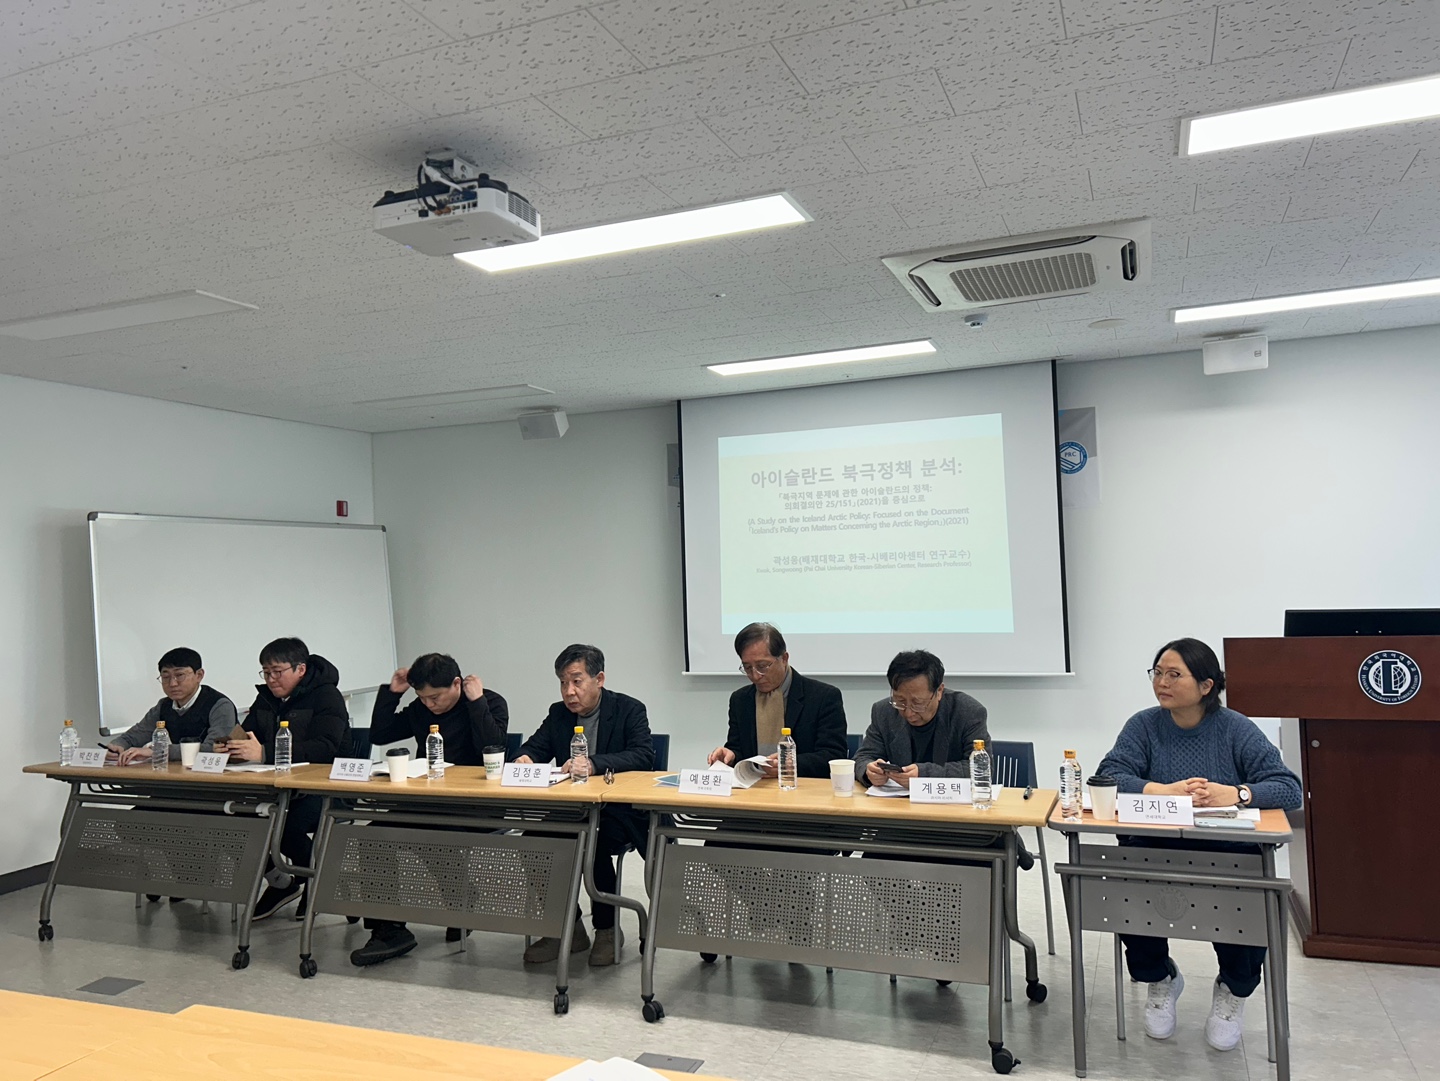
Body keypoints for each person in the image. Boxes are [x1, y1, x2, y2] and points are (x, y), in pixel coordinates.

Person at [1097, 637, 1302, 1053]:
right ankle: (1160, 978)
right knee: (1127, 882)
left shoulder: (1235, 728)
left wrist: (1238, 793)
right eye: (1157, 673)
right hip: (1154, 846)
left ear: (1206, 685)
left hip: (1227, 852)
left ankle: (1233, 989)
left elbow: (1289, 788)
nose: (1162, 682)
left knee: (1245, 898)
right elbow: (1109, 774)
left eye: (1175, 674)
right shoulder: (1143, 725)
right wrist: (1161, 789)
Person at [350, 652, 509, 966]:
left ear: (456, 684)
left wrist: (476, 702)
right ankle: (388, 930)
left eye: (435, 697)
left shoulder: (489, 702)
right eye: (422, 698)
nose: (429, 705)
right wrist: (392, 693)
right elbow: (380, 735)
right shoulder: (420, 708)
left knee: (434, 831)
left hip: (477, 805)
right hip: (427, 798)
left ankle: (460, 897)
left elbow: (492, 749)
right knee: (374, 835)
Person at [515, 644, 653, 967]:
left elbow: (643, 755)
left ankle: (607, 929)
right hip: (572, 809)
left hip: (617, 811)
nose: (569, 692)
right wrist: (525, 758)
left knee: (593, 842)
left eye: (576, 681)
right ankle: (568, 927)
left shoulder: (629, 709)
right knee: (533, 842)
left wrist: (593, 764)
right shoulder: (558, 714)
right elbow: (534, 747)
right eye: (563, 683)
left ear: (599, 679)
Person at [217, 637, 349, 921]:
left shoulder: (327, 696)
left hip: (323, 788)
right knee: (235, 818)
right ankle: (282, 883)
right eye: (266, 672)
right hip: (277, 787)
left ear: (300, 669)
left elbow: (326, 748)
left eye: (277, 672)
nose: (271, 679)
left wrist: (265, 753)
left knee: (283, 825)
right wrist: (230, 746)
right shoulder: (266, 697)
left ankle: (317, 880)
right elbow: (247, 734)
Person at [707, 623, 846, 777]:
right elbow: (739, 750)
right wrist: (730, 755)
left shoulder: (823, 697)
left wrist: (791, 764)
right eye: (747, 668)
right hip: (755, 787)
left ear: (784, 658)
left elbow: (834, 756)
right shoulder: (740, 700)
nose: (755, 675)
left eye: (762, 666)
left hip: (801, 786)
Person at [854, 649, 988, 789]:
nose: (908, 712)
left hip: (949, 800)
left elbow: (981, 769)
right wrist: (870, 771)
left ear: (939, 691)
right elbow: (862, 758)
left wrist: (924, 774)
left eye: (918, 703)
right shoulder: (883, 712)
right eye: (900, 701)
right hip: (896, 801)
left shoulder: (968, 712)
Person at [108, 647, 236, 765]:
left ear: (199, 675)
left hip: (215, 776)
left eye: (179, 675)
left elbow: (214, 748)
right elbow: (136, 735)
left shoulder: (220, 705)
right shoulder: (164, 706)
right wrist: (117, 745)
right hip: (180, 773)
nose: (172, 683)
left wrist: (157, 751)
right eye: (165, 677)